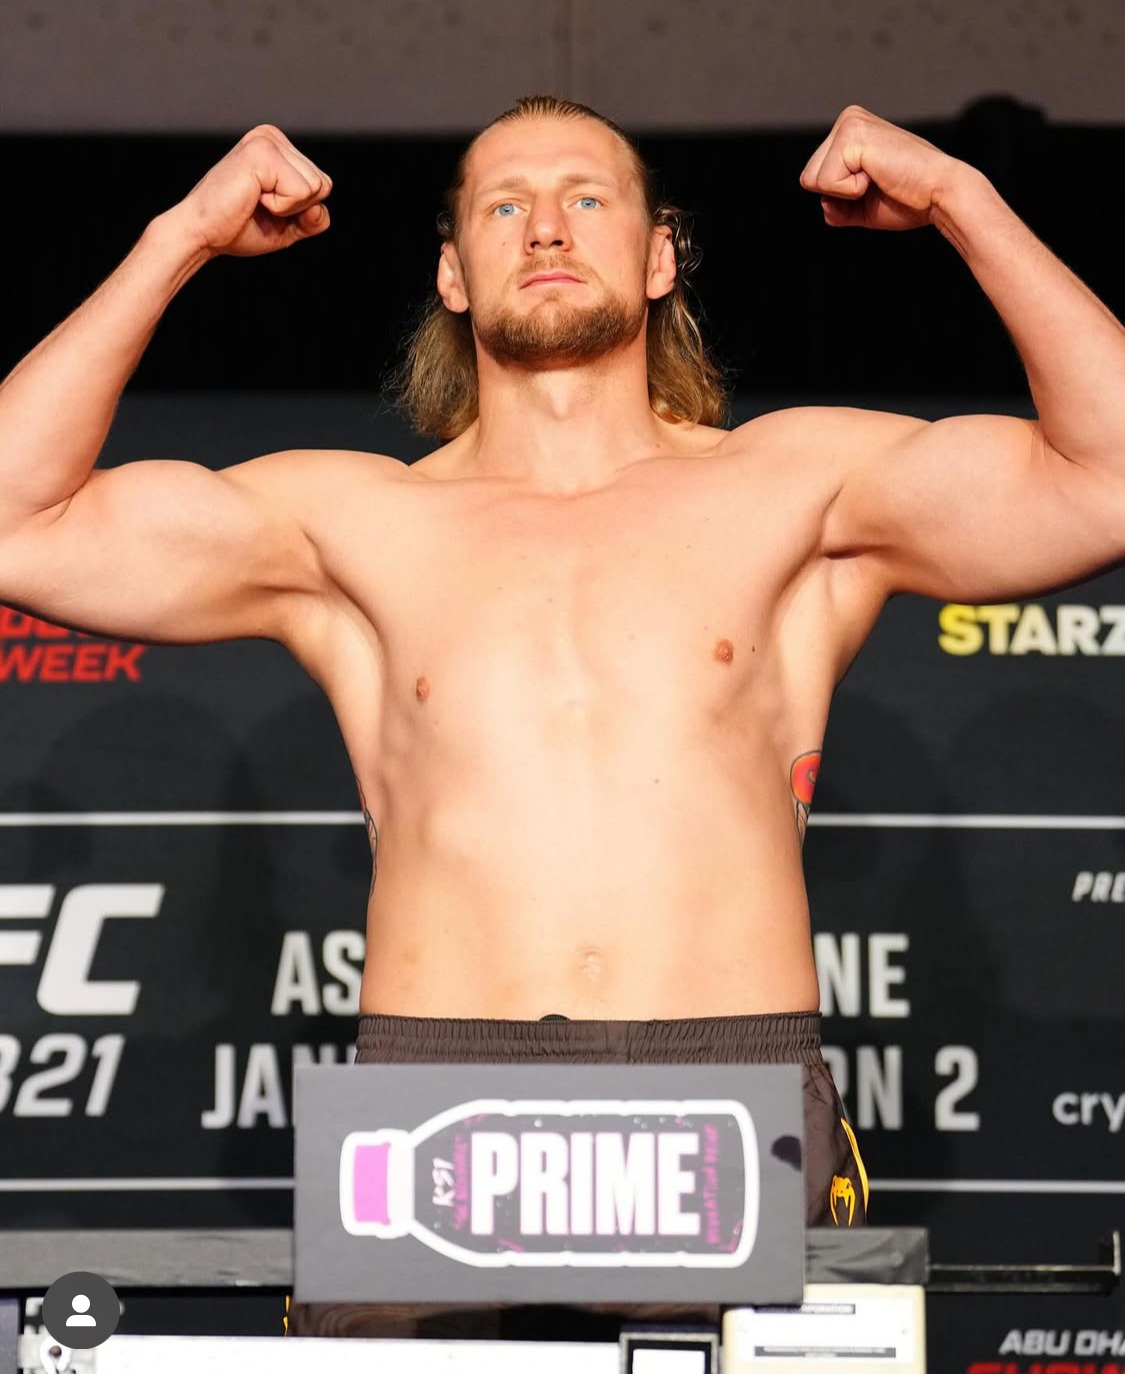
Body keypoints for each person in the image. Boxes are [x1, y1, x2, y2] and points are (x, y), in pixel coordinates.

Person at [1, 93, 1122, 1338]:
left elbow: (1109, 477)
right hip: (431, 1103)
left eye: (587, 197)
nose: (546, 227)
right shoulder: (352, 523)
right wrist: (178, 238)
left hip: (725, 1089)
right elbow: (16, 520)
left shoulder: (798, 488)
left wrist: (965, 199)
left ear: (658, 257)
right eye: (504, 206)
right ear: (453, 273)